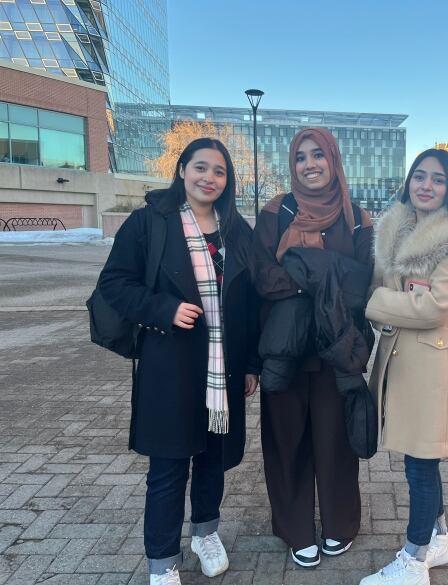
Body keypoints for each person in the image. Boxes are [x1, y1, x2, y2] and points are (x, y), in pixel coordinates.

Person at [98, 138, 260, 585]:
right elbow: (114, 284)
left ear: (228, 181)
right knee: (168, 466)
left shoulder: (236, 230)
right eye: (201, 167)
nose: (209, 178)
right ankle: (163, 560)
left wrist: (251, 365)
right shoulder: (150, 222)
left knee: (212, 458)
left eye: (219, 171)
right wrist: (162, 309)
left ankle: (206, 532)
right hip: (170, 366)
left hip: (223, 368)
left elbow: (251, 303)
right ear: (182, 169)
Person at [252, 127, 374, 568]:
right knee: (287, 441)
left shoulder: (357, 216)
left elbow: (363, 284)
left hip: (336, 350)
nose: (310, 164)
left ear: (333, 159)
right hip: (284, 349)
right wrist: (322, 276)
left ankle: (340, 524)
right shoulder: (276, 211)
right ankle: (295, 528)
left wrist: (308, 269)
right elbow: (260, 276)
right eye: (301, 157)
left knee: (335, 441)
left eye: (318, 155)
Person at [361, 149, 448, 585]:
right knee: (421, 458)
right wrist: (397, 302)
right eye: (419, 176)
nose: (426, 186)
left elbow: (433, 305)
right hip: (402, 360)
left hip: (435, 365)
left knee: (421, 464)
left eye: (437, 179)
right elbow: (395, 291)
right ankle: (439, 536)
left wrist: (375, 304)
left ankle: (413, 561)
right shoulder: (394, 229)